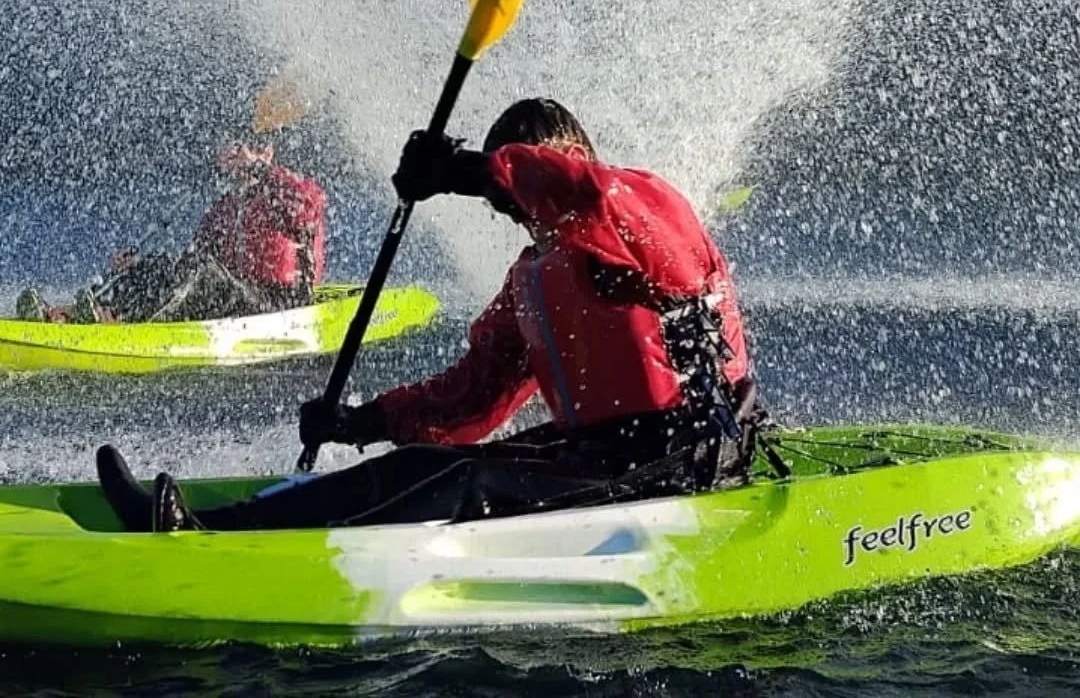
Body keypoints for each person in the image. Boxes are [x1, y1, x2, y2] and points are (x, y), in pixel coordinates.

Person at [96, 98, 770, 534]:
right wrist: (363, 422)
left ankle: (214, 537)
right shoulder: (532, 280)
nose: (514, 214)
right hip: (603, 459)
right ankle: (209, 526)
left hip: (693, 457)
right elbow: (472, 394)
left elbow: (576, 189)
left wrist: (458, 170)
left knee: (465, 480)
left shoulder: (643, 207)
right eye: (502, 204)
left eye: (513, 190)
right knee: (428, 462)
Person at [16, 141, 327, 325]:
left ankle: (117, 324)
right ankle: (71, 314)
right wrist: (136, 268)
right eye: (236, 149)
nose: (241, 157)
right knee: (162, 266)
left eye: (252, 150)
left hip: (282, 309)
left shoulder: (287, 192)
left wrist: (260, 169)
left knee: (201, 271)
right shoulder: (225, 208)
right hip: (236, 299)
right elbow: (189, 262)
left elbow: (310, 206)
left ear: (268, 154)